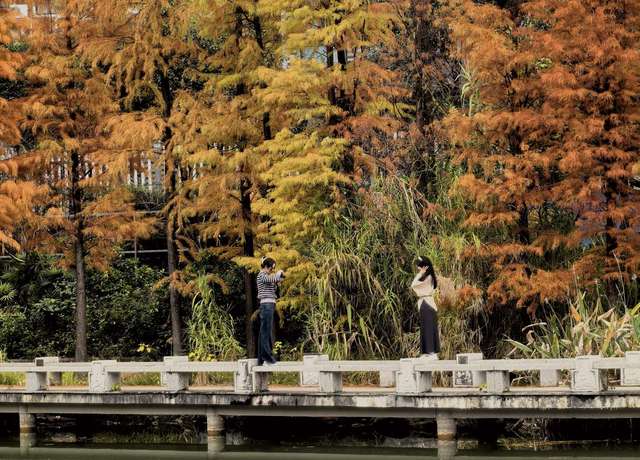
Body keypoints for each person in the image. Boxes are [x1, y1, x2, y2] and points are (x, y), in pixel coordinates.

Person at [256, 257, 285, 365]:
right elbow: (271, 278)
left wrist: (278, 281)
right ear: (266, 266)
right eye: (271, 268)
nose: (271, 271)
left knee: (263, 332)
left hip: (270, 304)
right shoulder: (261, 275)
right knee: (265, 332)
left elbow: (273, 283)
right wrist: (279, 273)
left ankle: (261, 359)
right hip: (266, 304)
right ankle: (267, 358)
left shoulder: (267, 276)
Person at [411, 256, 440, 358]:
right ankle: (426, 352)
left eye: (419, 266)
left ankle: (432, 352)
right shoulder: (427, 277)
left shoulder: (428, 277)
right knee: (425, 328)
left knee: (429, 328)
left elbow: (413, 285)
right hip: (425, 303)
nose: (418, 268)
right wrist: (421, 273)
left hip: (427, 303)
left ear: (424, 267)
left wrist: (420, 273)